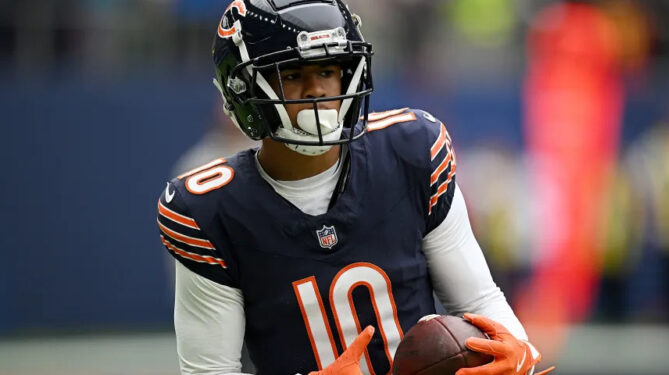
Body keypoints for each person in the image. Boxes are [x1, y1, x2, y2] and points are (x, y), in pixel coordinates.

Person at [156, 1, 553, 374]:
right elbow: (211, 370)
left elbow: (480, 302)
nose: (317, 91)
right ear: (244, 89)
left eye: (327, 71)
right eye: (293, 75)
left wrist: (517, 354)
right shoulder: (210, 211)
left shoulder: (410, 151)